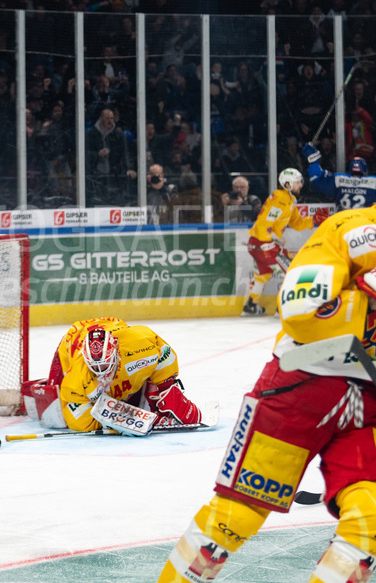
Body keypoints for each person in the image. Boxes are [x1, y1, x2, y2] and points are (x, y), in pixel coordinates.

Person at [157, 205, 376, 583]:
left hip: (366, 405)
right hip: (302, 385)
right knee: (235, 517)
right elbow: (300, 308)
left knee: (370, 521)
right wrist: (367, 307)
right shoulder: (352, 228)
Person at [25, 317, 202, 433]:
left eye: (105, 364)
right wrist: (115, 423)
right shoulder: (78, 373)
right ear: (86, 360)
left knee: (132, 391)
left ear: (116, 352)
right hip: (71, 342)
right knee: (58, 418)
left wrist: (166, 387)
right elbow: (77, 421)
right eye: (95, 367)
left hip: (114, 327)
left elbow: (164, 354)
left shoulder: (141, 344)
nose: (101, 371)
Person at [241, 168, 324, 317]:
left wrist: (313, 220)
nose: (301, 185)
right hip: (262, 245)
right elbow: (263, 224)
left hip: (261, 244)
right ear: (287, 184)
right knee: (292, 272)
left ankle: (251, 306)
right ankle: (283, 309)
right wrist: (268, 244)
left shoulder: (290, 200)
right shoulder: (280, 199)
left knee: (262, 275)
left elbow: (297, 223)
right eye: (297, 182)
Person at [302, 142, 376, 211]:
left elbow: (317, 178)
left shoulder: (339, 179)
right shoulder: (373, 181)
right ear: (365, 170)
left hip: (343, 219)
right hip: (365, 221)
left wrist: (313, 159)